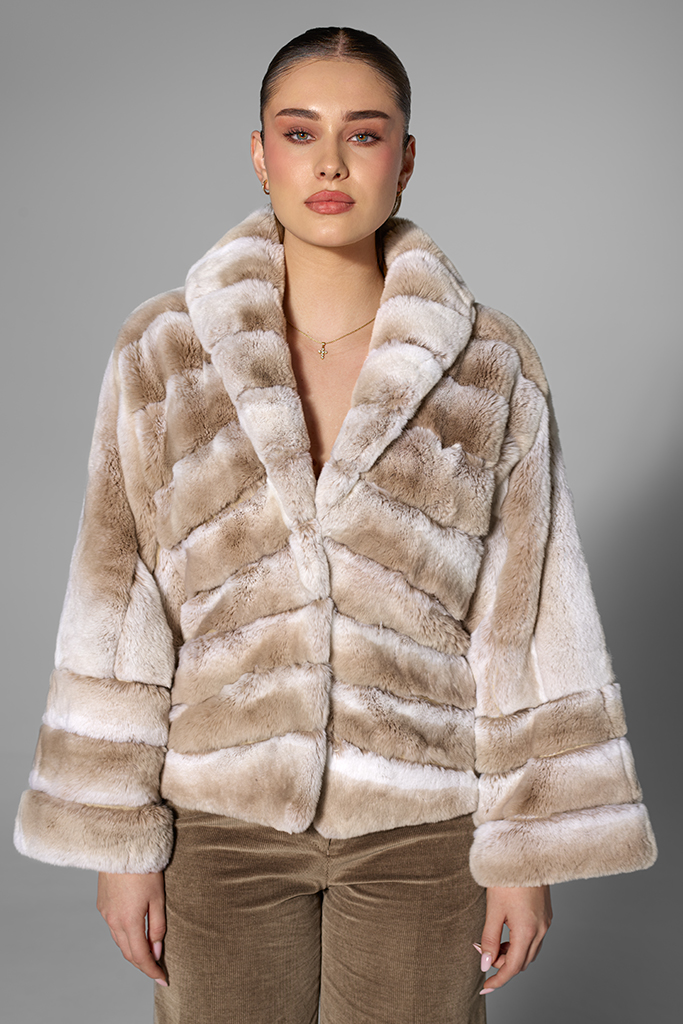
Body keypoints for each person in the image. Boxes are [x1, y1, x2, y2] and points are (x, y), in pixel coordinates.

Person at [14, 25, 657, 1024]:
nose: (328, 162)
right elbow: (118, 596)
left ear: (405, 156)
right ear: (258, 152)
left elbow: (528, 617)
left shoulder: (488, 363)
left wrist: (523, 853)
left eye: (362, 134)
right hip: (218, 820)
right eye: (298, 131)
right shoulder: (164, 350)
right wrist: (117, 838)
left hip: (423, 824)